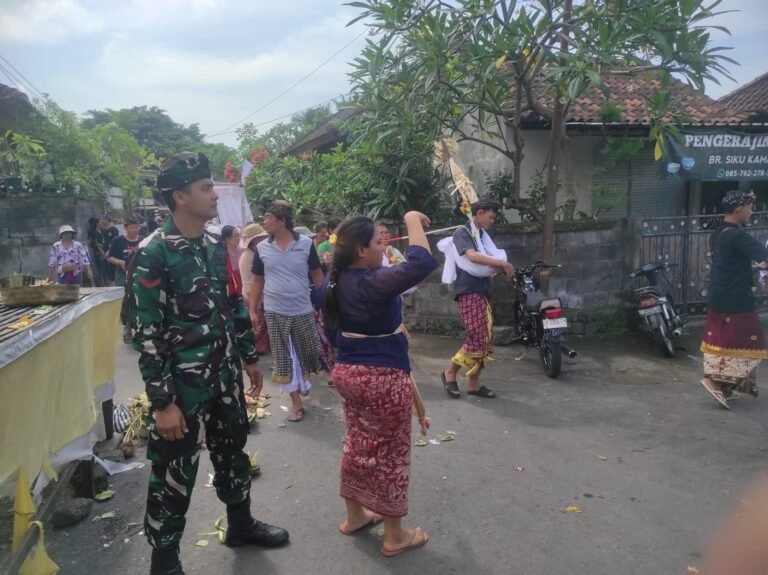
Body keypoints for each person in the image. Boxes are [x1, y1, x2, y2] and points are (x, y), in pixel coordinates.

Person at [129, 152, 288, 575]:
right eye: (204, 188)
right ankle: (164, 561)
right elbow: (145, 335)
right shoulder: (153, 254)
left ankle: (240, 524)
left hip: (223, 377)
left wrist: (248, 357)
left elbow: (232, 303)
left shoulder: (215, 246)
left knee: (232, 451)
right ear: (180, 196)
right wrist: (162, 403)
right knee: (174, 471)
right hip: (181, 388)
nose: (214, 194)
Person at [322, 211, 437, 557]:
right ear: (360, 250)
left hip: (348, 374)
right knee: (390, 454)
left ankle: (355, 516)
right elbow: (422, 261)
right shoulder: (372, 281)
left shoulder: (333, 282)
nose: (383, 247)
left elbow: (329, 327)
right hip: (382, 378)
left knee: (357, 444)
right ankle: (394, 536)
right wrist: (412, 219)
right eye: (378, 242)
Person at [248, 201, 324, 422]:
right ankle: (296, 402)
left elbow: (317, 274)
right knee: (283, 357)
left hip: (302, 307)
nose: (264, 222)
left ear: (281, 221)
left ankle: (302, 382)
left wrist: (323, 304)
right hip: (274, 310)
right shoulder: (262, 249)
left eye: (268, 218)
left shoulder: (305, 244)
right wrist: (253, 309)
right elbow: (257, 280)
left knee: (308, 352)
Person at [699, 190, 768, 409]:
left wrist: (755, 267)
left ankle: (726, 386)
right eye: (749, 206)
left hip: (722, 293)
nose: (751, 211)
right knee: (745, 339)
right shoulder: (736, 235)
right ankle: (714, 380)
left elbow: (728, 263)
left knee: (724, 339)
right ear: (738, 208)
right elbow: (763, 254)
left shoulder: (719, 232)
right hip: (735, 297)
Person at [439, 199, 514, 399]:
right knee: (478, 337)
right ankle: (450, 372)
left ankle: (473, 383)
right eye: (490, 216)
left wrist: (499, 265)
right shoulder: (462, 233)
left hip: (482, 291)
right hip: (469, 291)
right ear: (479, 213)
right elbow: (472, 256)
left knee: (486, 340)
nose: (492, 221)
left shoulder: (480, 235)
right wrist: (502, 264)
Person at [239, 223, 270, 354]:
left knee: (260, 324)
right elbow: (253, 281)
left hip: (254, 293)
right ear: (255, 240)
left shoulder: (252, 253)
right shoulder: (249, 256)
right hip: (252, 294)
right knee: (258, 324)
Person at [107, 216, 142, 287]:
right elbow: (109, 258)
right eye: (132, 228)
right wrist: (120, 262)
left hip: (139, 274)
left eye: (137, 227)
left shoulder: (143, 240)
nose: (135, 230)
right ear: (126, 228)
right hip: (122, 275)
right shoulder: (118, 240)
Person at [95, 214, 119, 286]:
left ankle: (114, 283)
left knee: (112, 270)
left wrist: (109, 251)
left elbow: (114, 243)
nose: (101, 221)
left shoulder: (114, 230)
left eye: (103, 219)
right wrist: (101, 246)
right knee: (106, 271)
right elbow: (105, 242)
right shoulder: (104, 230)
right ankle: (108, 283)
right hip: (105, 254)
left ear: (107, 220)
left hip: (112, 254)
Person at [221, 225, 243, 296]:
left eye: (239, 235)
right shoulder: (221, 256)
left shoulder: (243, 252)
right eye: (236, 236)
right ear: (227, 238)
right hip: (231, 293)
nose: (239, 238)